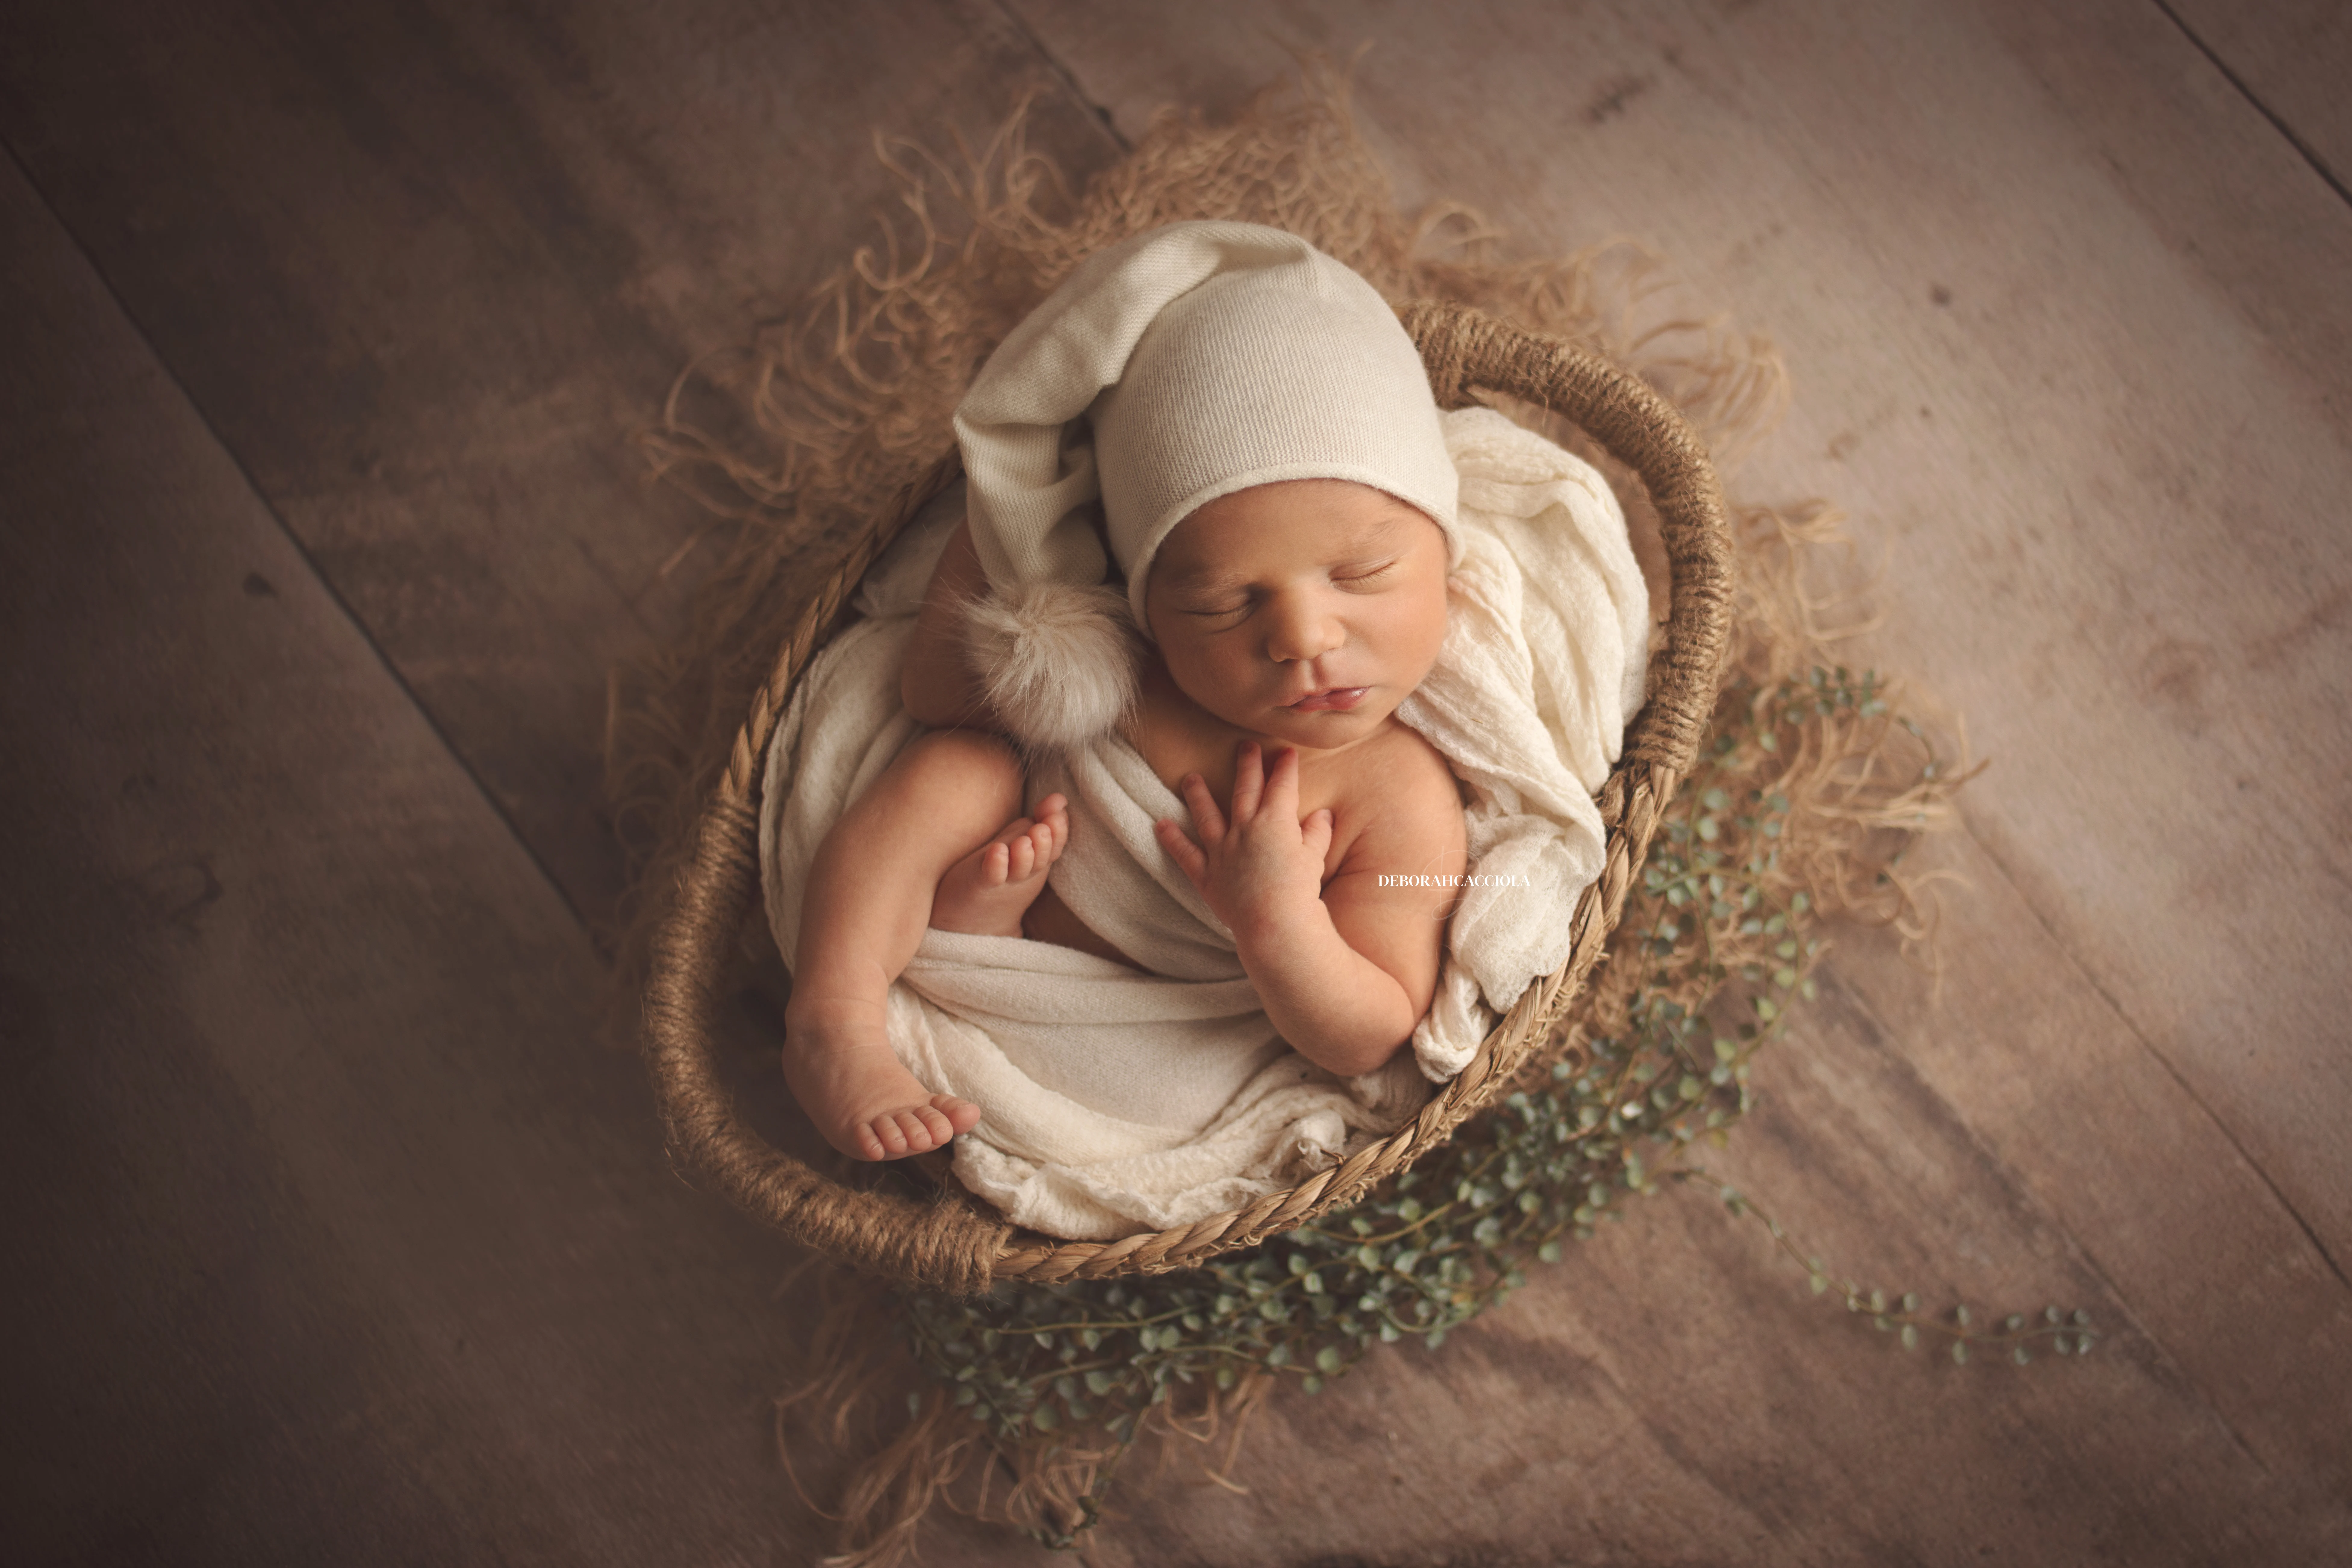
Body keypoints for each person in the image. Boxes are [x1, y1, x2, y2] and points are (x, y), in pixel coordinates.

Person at [779, 222, 1469, 1162]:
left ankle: (976, 929)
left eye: (1361, 572)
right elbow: (932, 689)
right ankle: (835, 1015)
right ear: (1150, 602)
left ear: (1447, 560)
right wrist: (1020, 523)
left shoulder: (1398, 797)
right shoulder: (1137, 660)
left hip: (1156, 1041)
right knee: (957, 767)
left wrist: (1278, 921)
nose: (1302, 638)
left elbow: (1371, 1033)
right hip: (979, 956)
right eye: (1224, 602)